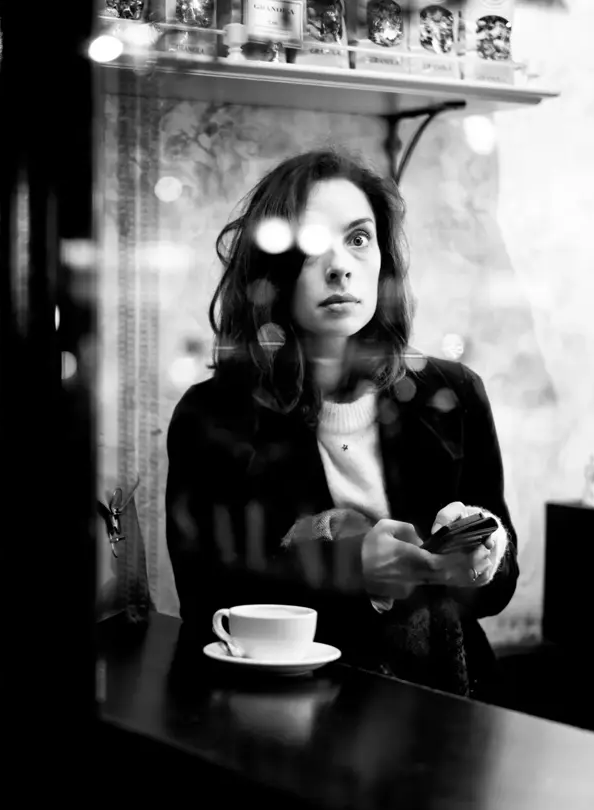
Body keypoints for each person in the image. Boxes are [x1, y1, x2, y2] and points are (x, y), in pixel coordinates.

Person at [165, 149, 518, 701]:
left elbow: (498, 591)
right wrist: (355, 571)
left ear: (383, 259)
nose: (340, 266)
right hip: (289, 706)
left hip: (448, 699)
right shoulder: (212, 416)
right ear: (271, 268)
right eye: (311, 244)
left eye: (358, 238)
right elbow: (207, 604)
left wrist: (481, 555)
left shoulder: (452, 393)